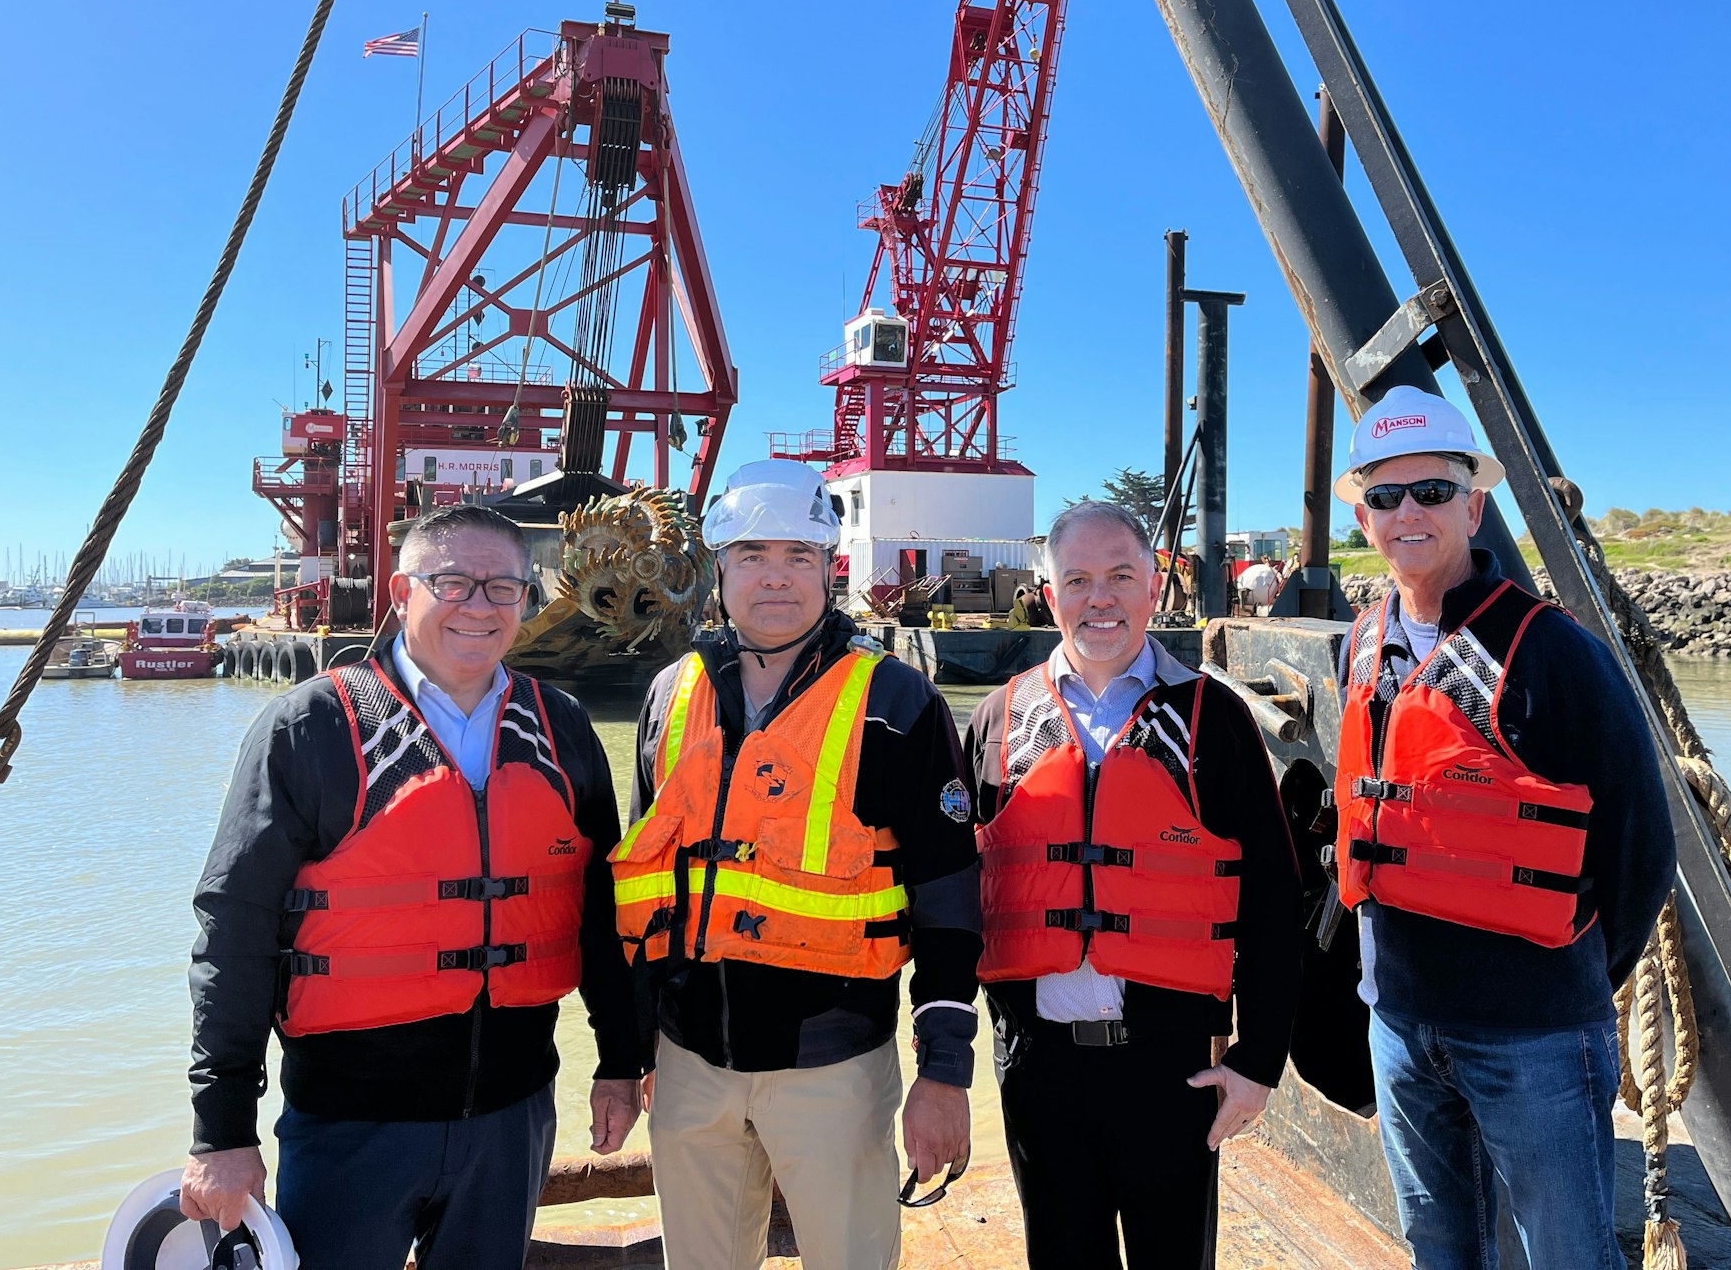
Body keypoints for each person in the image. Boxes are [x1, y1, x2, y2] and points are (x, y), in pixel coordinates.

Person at [181, 505, 643, 1270]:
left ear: (529, 599)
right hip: (350, 1126)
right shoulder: (312, 727)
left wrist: (619, 1060)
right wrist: (223, 1129)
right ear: (402, 589)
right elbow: (234, 931)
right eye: (452, 582)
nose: (479, 606)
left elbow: (599, 911)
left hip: (512, 1116)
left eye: (503, 587)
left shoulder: (561, 727)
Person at [1328, 386, 1675, 1269]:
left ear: (1474, 505)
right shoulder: (1357, 647)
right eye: (1385, 495)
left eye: (1434, 492)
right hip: (1399, 1024)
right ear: (1365, 516)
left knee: (1567, 1255)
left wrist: (1574, 983)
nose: (1409, 512)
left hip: (1538, 1038)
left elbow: (1641, 849)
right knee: (1438, 1250)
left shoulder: (1559, 654)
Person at [617, 459, 979, 1270]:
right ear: (718, 570)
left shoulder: (895, 704)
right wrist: (631, 1050)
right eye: (751, 555)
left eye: (797, 556)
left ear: (829, 567)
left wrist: (945, 1070)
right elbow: (645, 879)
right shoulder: (670, 694)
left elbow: (951, 899)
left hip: (834, 1067)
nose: (774, 578)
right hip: (689, 1064)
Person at [964, 500, 1306, 1270]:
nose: (1101, 598)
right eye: (1078, 580)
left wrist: (1258, 1061)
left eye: (1121, 575)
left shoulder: (1214, 720)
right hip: (1039, 1069)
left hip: (1172, 1068)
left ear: (1155, 588)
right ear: (1049, 597)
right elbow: (958, 893)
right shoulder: (997, 719)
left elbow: (1275, 903)